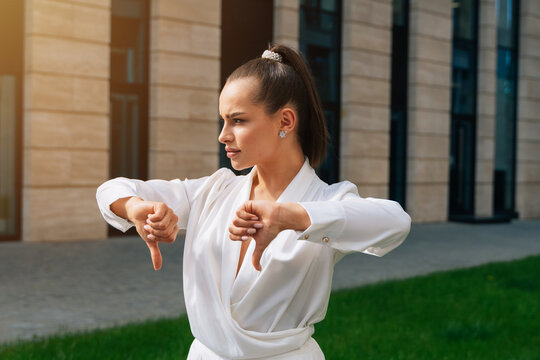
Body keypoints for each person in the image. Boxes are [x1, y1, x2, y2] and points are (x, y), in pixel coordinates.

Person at [96, 44, 411, 359]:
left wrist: (289, 216)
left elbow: (395, 223)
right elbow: (112, 189)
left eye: (238, 120)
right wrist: (135, 209)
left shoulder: (325, 201)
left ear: (285, 121)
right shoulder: (213, 192)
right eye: (223, 120)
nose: (223, 135)